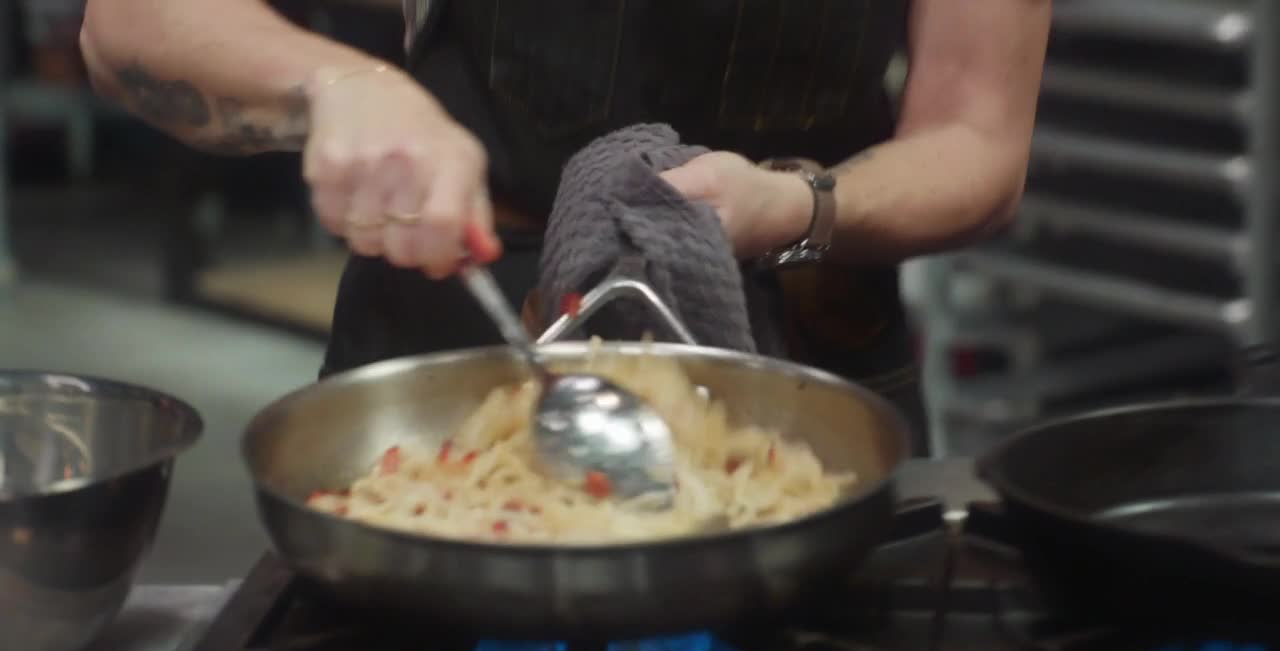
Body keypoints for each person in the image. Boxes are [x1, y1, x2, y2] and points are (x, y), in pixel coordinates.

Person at [79, 0, 1051, 453]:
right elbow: (130, 24)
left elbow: (977, 138)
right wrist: (339, 85)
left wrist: (795, 207)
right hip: (454, 354)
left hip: (803, 375)